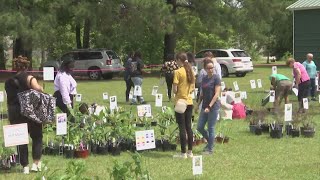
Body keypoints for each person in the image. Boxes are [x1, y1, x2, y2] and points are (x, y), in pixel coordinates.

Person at [5, 56, 44, 174]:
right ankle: (36, 164)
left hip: (15, 112)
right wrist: (41, 88)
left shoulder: (8, 82)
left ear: (15, 67)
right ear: (27, 66)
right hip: (30, 111)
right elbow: (38, 89)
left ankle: (25, 166)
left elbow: (9, 98)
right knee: (37, 137)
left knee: (21, 139)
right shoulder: (29, 78)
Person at [195, 60, 221, 155]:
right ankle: (211, 142)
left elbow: (217, 94)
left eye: (212, 67)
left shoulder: (216, 78)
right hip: (204, 106)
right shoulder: (204, 79)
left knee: (211, 127)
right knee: (200, 127)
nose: (211, 70)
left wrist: (209, 106)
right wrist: (197, 105)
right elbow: (202, 94)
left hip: (213, 107)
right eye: (208, 68)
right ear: (205, 69)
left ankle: (210, 149)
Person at [173, 52, 195, 159]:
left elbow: (174, 89)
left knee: (182, 127)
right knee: (188, 127)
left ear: (178, 60)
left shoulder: (178, 72)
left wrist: (176, 93)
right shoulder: (191, 70)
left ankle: (183, 153)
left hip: (180, 102)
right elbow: (192, 88)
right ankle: (190, 151)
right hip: (189, 102)